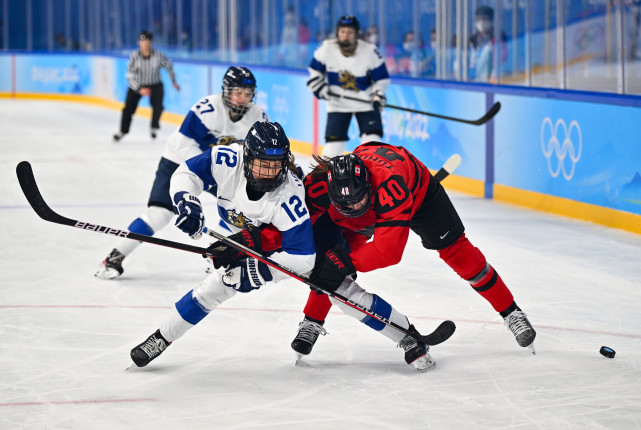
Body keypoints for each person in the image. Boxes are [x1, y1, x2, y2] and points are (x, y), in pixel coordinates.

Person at [289, 143, 537, 365]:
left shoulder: (389, 186)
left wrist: (345, 262)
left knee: (460, 255)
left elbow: (388, 251)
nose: (353, 207)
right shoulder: (319, 184)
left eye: (357, 200)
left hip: (420, 197)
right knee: (328, 260)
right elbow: (291, 221)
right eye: (346, 204)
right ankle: (312, 320)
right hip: (373, 201)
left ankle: (511, 312)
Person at [129, 121, 316, 368]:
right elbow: (186, 173)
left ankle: (315, 321)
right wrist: (187, 201)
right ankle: (162, 337)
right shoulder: (226, 159)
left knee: (218, 287)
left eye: (276, 165)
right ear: (247, 157)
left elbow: (304, 258)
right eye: (263, 165)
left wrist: (259, 270)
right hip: (233, 231)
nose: (270, 173)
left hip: (271, 241)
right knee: (212, 288)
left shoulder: (289, 195)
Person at [96, 66, 268, 279]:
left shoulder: (258, 116)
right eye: (238, 92)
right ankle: (115, 255)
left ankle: (215, 256)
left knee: (240, 211)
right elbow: (186, 146)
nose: (243, 98)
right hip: (179, 161)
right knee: (159, 214)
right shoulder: (207, 109)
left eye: (248, 93)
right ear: (226, 90)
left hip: (221, 169)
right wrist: (212, 172)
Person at [307, 15, 390, 157]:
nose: (346, 36)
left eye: (350, 32)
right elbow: (314, 73)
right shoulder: (326, 48)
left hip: (365, 103)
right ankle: (323, 178)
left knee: (373, 144)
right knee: (333, 148)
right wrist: (321, 89)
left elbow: (381, 79)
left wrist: (378, 93)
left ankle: (373, 177)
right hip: (337, 104)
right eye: (342, 32)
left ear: (357, 34)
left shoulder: (370, 51)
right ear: (337, 32)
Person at [113, 30, 180, 142]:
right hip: (138, 85)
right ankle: (122, 131)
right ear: (139, 42)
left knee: (158, 105)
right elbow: (129, 75)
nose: (145, 44)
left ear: (151, 42)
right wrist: (139, 89)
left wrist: (173, 81)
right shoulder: (134, 57)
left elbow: (169, 66)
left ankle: (154, 126)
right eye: (143, 41)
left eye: (148, 41)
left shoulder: (159, 56)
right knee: (127, 109)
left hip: (155, 84)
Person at [469, 6, 507, 82]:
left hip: (489, 85)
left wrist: (493, 79)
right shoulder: (474, 40)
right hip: (475, 83)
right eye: (478, 19)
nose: (481, 22)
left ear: (491, 20)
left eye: (484, 19)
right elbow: (472, 63)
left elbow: (500, 65)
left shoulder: (497, 40)